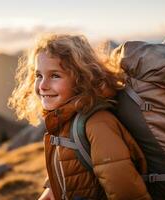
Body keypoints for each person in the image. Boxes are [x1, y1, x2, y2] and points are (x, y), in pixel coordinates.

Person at [8, 34, 151, 200]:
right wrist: (50, 190)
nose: (43, 86)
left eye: (55, 75)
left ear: (80, 78)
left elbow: (127, 193)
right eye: (39, 75)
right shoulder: (66, 120)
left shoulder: (98, 124)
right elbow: (70, 170)